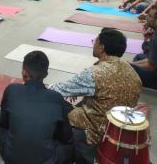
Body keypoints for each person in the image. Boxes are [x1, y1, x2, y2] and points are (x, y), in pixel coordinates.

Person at [51, 28, 141, 163]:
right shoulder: (132, 72)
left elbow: (59, 90)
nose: (93, 44)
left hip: (95, 133)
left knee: (53, 101)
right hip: (120, 133)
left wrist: (47, 88)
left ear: (101, 47)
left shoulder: (95, 73)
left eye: (95, 41)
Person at [0, 50, 73, 163]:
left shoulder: (12, 89)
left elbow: (4, 124)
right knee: (73, 142)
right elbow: (66, 137)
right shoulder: (56, 98)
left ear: (24, 72)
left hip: (13, 159)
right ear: (46, 74)